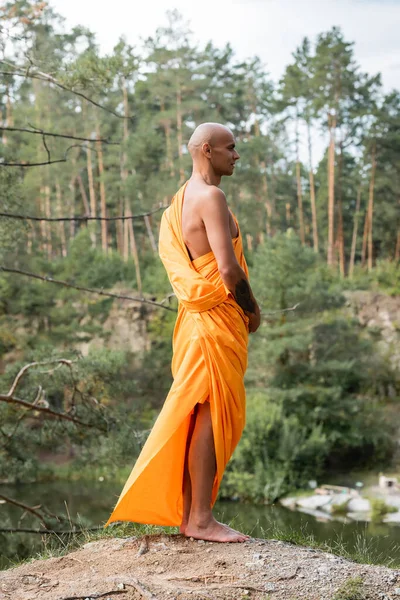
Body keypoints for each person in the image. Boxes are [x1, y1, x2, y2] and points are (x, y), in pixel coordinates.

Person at [105, 122, 261, 543]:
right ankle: (200, 519)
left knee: (198, 415)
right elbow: (227, 270)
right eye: (231, 148)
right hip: (213, 323)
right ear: (207, 150)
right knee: (207, 415)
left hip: (197, 323)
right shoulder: (211, 196)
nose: (237, 155)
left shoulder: (181, 199)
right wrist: (253, 309)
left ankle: (194, 516)